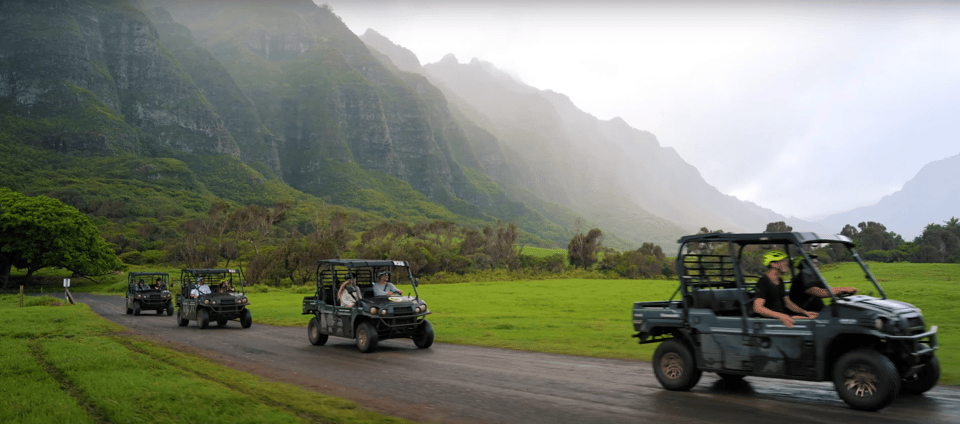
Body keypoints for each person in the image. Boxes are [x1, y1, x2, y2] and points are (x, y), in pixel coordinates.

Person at [753, 250, 816, 328]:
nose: (786, 264)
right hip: (771, 322)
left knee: (813, 318)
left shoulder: (780, 281)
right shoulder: (763, 282)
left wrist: (804, 312)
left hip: (782, 318)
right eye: (783, 261)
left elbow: (787, 302)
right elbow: (758, 308)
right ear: (773, 264)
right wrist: (781, 316)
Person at [788, 254, 857, 312]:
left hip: (816, 312)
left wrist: (840, 292)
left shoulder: (813, 277)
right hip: (804, 313)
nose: (817, 266)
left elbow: (828, 290)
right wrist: (843, 289)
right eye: (814, 263)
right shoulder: (802, 279)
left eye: (817, 263)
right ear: (806, 265)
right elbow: (821, 292)